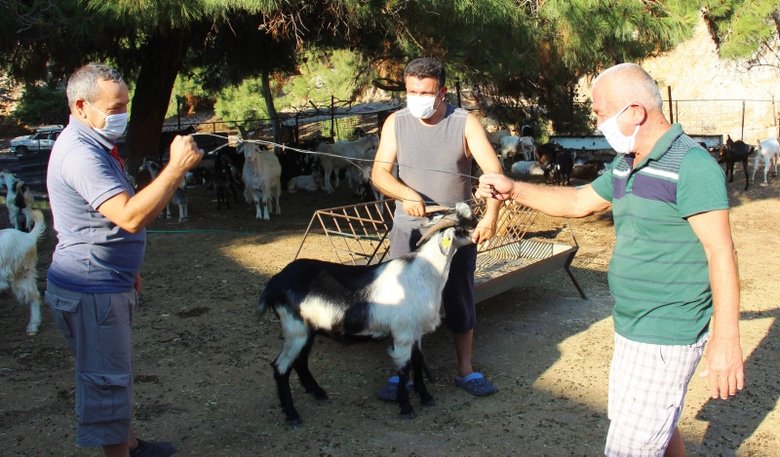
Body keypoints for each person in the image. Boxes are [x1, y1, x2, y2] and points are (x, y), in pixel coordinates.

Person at [477, 62, 744, 456]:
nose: (598, 121)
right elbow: (579, 201)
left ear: (635, 111)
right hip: (631, 324)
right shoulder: (628, 162)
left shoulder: (692, 166)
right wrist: (513, 188)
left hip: (667, 331)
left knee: (630, 446)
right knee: (653, 427)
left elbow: (721, 252)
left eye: (601, 113)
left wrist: (726, 340)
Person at [46, 63, 203, 457]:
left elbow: (95, 221)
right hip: (91, 288)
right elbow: (129, 216)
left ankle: (128, 445)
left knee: (112, 374)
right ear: (81, 106)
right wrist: (175, 169)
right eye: (115, 107)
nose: (123, 114)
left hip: (104, 280)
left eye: (125, 104)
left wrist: (126, 270)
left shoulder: (94, 145)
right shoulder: (82, 154)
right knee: (106, 381)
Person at [371, 57, 503, 398]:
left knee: (459, 297)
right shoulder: (395, 123)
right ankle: (404, 372)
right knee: (404, 300)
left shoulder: (465, 123)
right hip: (408, 229)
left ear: (442, 91)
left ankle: (466, 370)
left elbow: (494, 174)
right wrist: (405, 193)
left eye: (426, 92)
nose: (418, 97)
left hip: (453, 232)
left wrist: (490, 216)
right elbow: (380, 174)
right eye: (412, 91)